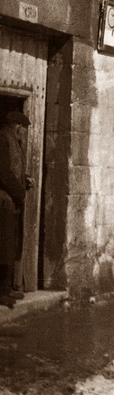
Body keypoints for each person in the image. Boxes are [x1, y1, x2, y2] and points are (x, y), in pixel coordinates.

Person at [0, 111, 32, 309]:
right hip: (3, 201)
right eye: (21, 128)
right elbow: (3, 172)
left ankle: (6, 288)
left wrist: (24, 179)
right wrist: (20, 192)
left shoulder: (11, 140)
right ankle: (2, 292)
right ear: (16, 126)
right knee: (3, 246)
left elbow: (13, 169)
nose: (23, 133)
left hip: (11, 201)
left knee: (10, 245)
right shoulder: (3, 140)